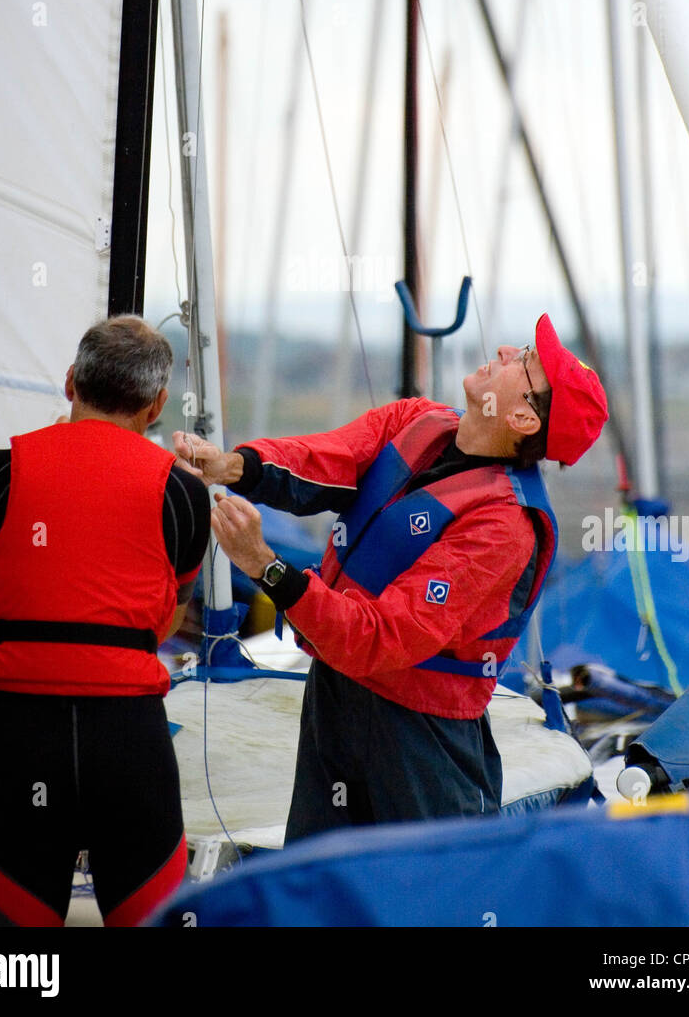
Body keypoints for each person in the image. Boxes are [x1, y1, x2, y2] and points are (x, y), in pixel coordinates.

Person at [173, 313, 607, 842]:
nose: (504, 351)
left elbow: (381, 637)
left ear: (524, 418)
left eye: (524, 362)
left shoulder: (505, 527)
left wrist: (267, 566)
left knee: (422, 899)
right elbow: (325, 460)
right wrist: (230, 467)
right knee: (319, 884)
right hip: (338, 694)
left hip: (422, 734)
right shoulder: (417, 420)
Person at [0, 315, 209, 926]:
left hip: (24, 736)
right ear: (156, 406)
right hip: (129, 738)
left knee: (9, 962)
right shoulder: (183, 494)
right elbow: (166, 619)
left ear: (71, 381)